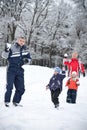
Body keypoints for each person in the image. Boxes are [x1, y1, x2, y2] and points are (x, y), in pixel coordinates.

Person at [2, 37, 31, 107]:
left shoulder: (25, 49)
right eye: (20, 41)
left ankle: (16, 101)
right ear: (17, 41)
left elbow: (29, 59)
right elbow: (4, 56)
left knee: (21, 88)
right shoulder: (12, 48)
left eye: (23, 41)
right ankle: (7, 102)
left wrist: (26, 61)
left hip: (20, 70)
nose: (22, 42)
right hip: (11, 69)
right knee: (9, 87)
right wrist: (6, 50)